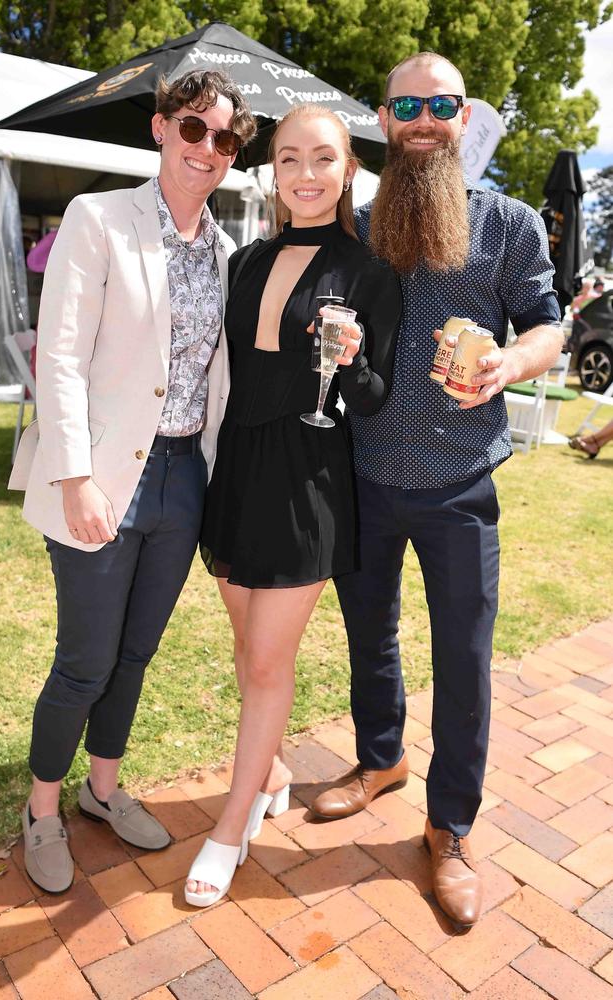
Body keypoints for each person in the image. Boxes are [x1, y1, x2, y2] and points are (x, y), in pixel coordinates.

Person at [310, 52, 564, 929]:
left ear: (464, 119)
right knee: (368, 636)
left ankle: (450, 827)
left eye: (441, 105)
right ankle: (379, 760)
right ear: (385, 120)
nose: (423, 118)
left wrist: (509, 363)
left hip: (462, 484)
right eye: (406, 104)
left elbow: (546, 323)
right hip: (366, 475)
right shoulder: (361, 225)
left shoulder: (509, 225)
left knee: (464, 659)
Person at [8, 70, 256, 894]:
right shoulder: (98, 218)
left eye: (225, 139)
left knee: (137, 654)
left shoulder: (226, 253)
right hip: (105, 474)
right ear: (160, 129)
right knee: (85, 659)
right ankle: (42, 808)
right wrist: (75, 476)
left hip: (186, 477)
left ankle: (101, 790)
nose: (208, 149)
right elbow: (64, 354)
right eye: (195, 129)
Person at [184, 103, 402, 907]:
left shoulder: (370, 270)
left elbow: (375, 398)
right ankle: (271, 770)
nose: (305, 176)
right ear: (270, 171)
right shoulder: (245, 260)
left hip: (310, 480)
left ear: (348, 169)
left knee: (270, 663)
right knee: (246, 652)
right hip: (237, 471)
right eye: (288, 160)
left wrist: (350, 365)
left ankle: (231, 825)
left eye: (322, 159)